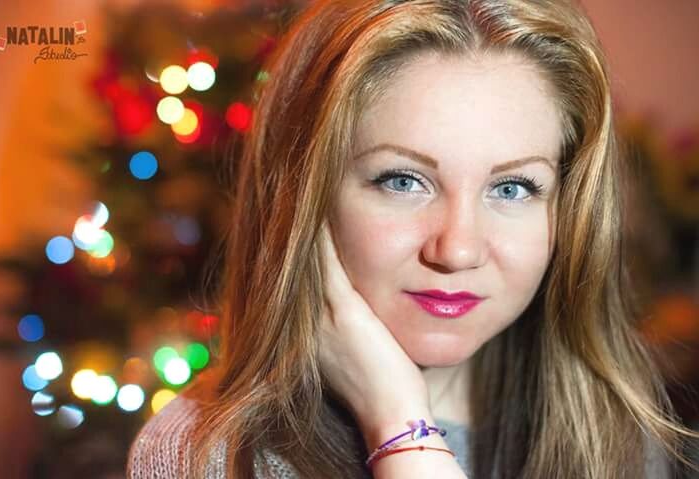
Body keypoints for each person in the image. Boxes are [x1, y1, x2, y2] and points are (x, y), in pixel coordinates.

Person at [127, 0, 699, 477]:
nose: (458, 249)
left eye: (514, 188)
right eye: (404, 180)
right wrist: (399, 428)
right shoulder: (205, 454)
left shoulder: (618, 439)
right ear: (306, 197)